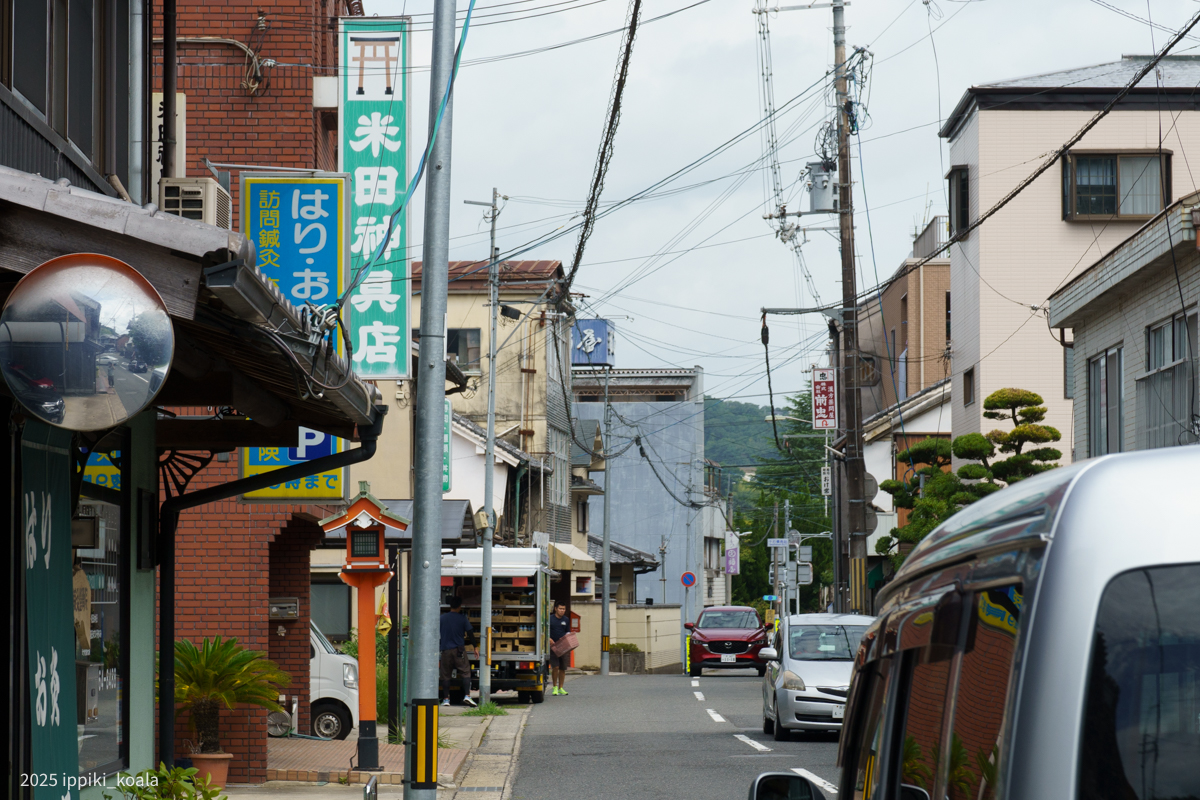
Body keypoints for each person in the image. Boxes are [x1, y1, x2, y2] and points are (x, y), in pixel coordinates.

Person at [439, 596, 478, 707]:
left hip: (446, 650)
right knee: (465, 672)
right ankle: (467, 695)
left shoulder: (442, 618)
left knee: (445, 675)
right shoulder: (462, 618)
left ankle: (446, 699)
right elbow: (470, 633)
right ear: (459, 606)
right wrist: (475, 647)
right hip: (459, 651)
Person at [548, 601, 571, 696]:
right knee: (555, 667)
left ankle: (561, 687)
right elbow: (545, 630)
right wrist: (548, 638)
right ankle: (554, 687)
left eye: (564, 609)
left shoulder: (566, 620)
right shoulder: (550, 619)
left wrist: (568, 638)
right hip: (553, 647)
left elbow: (568, 632)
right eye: (560, 609)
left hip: (563, 647)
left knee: (563, 668)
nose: (562, 611)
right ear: (555, 609)